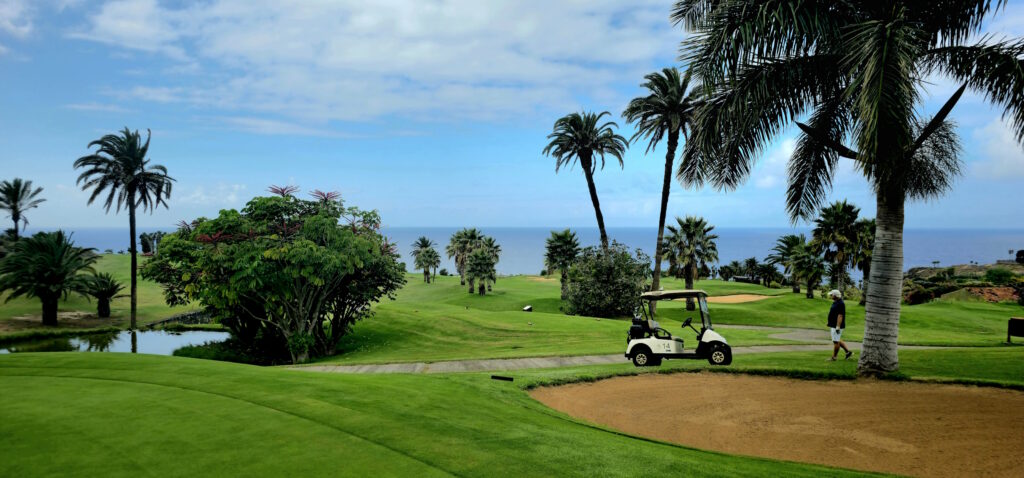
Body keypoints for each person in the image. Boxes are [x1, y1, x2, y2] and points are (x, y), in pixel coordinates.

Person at [827, 289, 852, 361]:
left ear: (835, 295)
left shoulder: (841, 303)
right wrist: (829, 322)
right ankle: (848, 352)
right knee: (837, 339)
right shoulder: (836, 302)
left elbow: (840, 316)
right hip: (833, 324)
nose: (831, 296)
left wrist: (838, 326)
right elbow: (833, 313)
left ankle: (834, 357)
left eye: (832, 295)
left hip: (837, 325)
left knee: (836, 341)